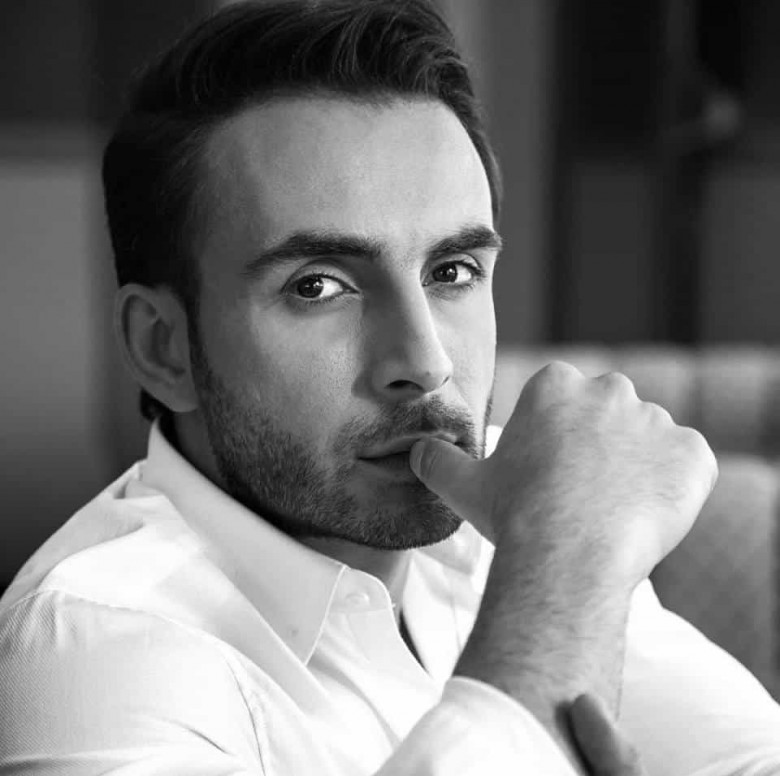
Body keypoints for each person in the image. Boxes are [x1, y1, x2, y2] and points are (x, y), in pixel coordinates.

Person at [1, 1, 779, 774]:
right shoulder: (91, 649)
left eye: (453, 271)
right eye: (318, 286)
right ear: (162, 347)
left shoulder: (514, 510)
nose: (425, 361)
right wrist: (563, 569)